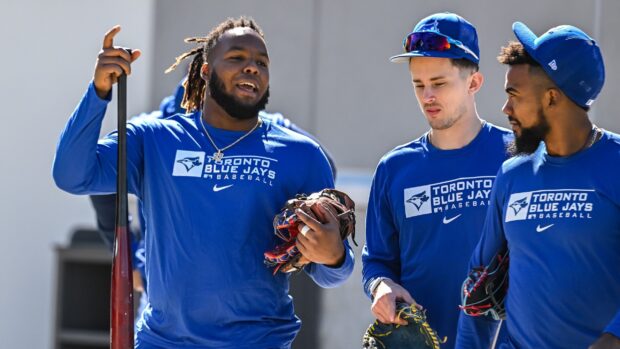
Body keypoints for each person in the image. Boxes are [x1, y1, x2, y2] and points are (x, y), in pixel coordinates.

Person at [53, 17, 354, 348]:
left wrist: (332, 255)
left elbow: (332, 274)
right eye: (237, 57)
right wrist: (98, 92)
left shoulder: (302, 154)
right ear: (205, 72)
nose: (252, 67)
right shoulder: (154, 139)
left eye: (261, 62)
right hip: (163, 341)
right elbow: (72, 175)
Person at [88, 78, 339, 318]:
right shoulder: (157, 130)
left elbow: (323, 164)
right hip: (165, 304)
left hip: (248, 306)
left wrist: (301, 235)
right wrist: (129, 256)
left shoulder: (267, 130)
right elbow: (100, 169)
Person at [455, 22, 620, 349]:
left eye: (514, 95)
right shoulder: (512, 174)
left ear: (552, 98)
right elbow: (479, 283)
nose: (505, 109)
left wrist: (614, 336)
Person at [361, 12, 513, 349]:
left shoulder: (516, 156)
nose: (427, 95)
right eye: (419, 84)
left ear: (473, 83)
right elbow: (377, 262)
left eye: (439, 83)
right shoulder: (395, 169)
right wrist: (380, 286)